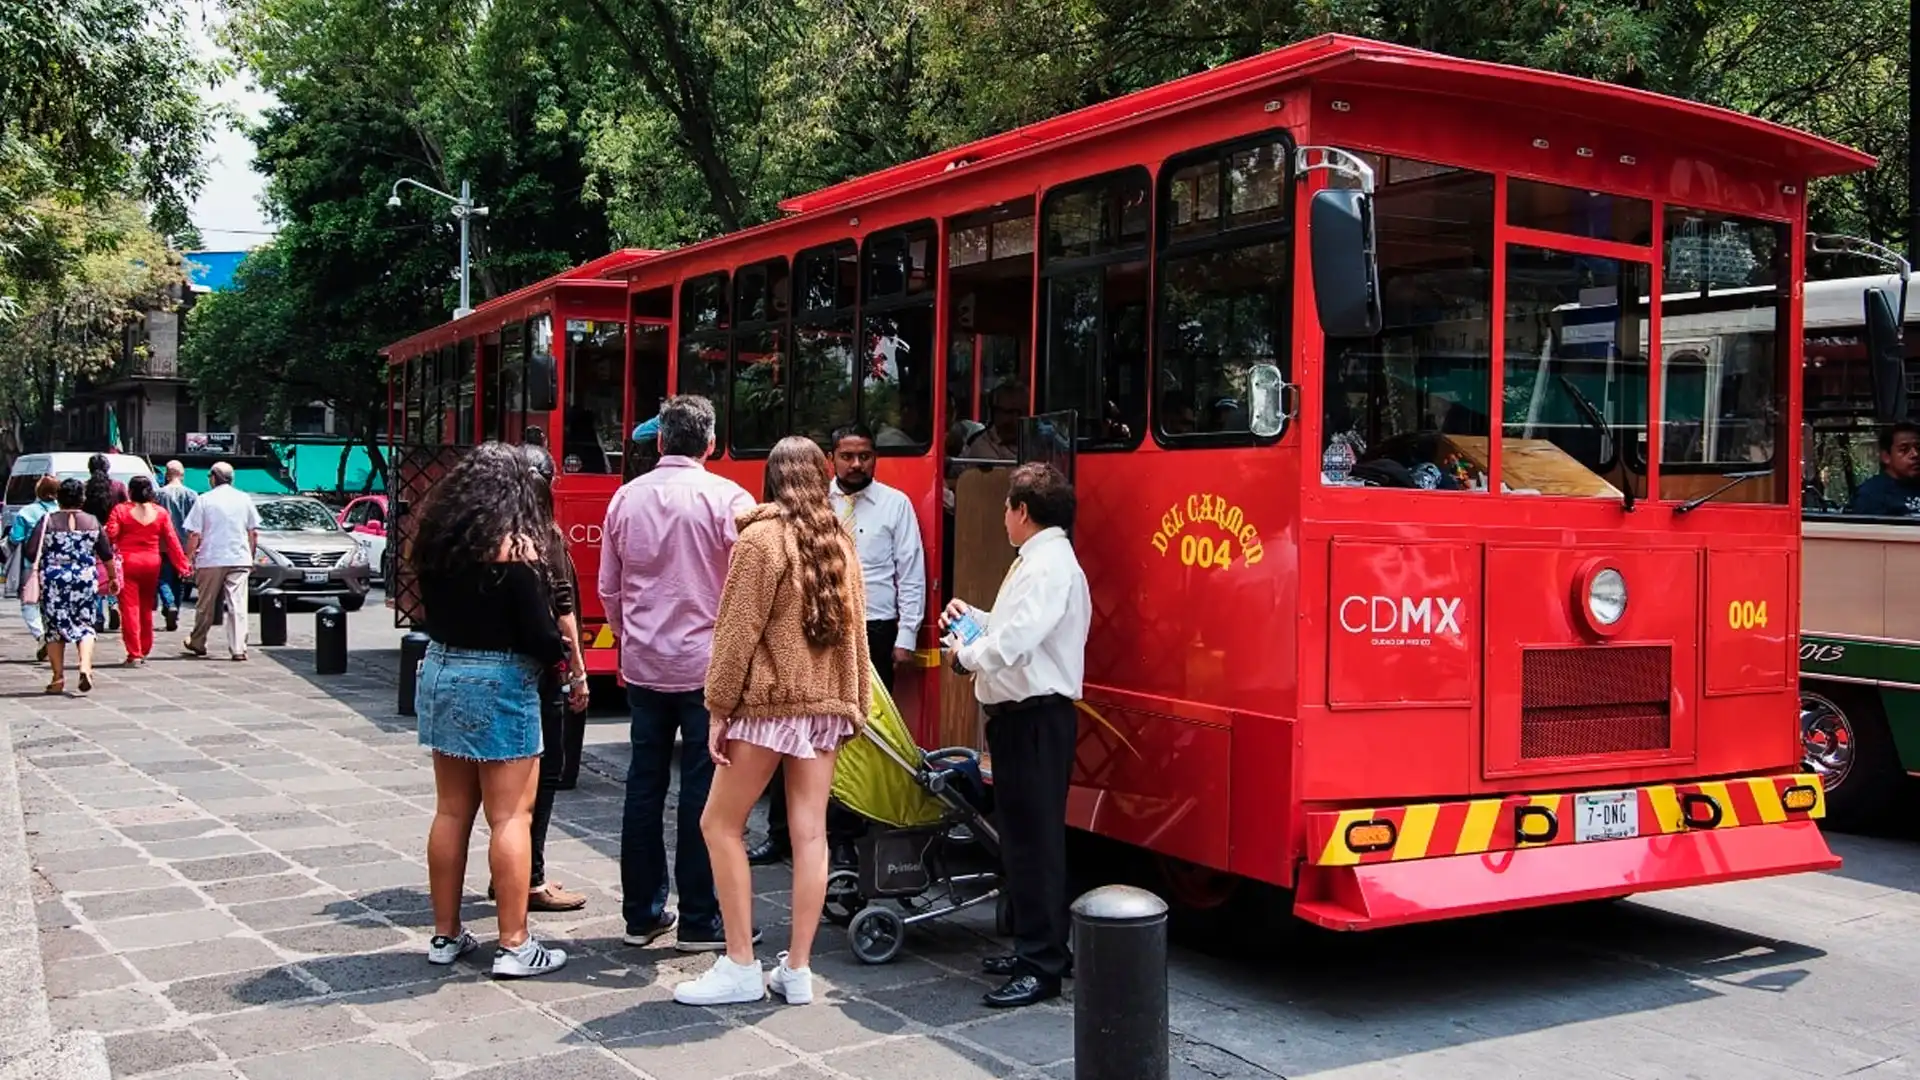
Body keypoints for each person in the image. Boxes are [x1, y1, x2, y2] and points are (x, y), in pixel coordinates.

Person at [672, 436, 870, 1007]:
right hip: (823, 709)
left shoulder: (760, 539)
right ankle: (799, 971)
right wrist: (853, 705)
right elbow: (856, 637)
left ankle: (739, 963)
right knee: (811, 835)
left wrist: (717, 708)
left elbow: (735, 637)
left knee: (719, 824)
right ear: (822, 476)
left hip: (767, 705)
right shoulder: (838, 540)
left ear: (771, 479)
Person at [598, 395, 756, 952]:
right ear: (711, 444)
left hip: (645, 665)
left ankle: (641, 913)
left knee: (643, 785)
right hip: (711, 668)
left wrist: (628, 637)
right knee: (704, 791)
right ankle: (699, 918)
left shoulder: (625, 500)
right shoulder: (730, 500)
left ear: (660, 441)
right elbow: (748, 591)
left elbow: (608, 589)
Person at [412, 441, 570, 979]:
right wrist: (563, 657)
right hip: (500, 679)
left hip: (440, 668)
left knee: (451, 811)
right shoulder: (517, 549)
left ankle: (445, 933)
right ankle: (515, 943)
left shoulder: (439, 542)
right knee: (511, 817)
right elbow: (539, 634)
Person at [940, 462, 1089, 1008]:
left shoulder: (1048, 565)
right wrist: (974, 618)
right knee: (1024, 841)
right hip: (1022, 717)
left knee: (1035, 843)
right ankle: (1037, 946)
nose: (1002, 515)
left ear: (1022, 511)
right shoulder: (1040, 560)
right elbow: (1015, 628)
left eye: (1006, 506)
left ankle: (1042, 963)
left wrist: (964, 656)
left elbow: (1015, 643)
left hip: (1034, 717)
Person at [750, 423, 924, 866]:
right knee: (788, 727)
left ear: (875, 457)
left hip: (874, 629)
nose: (856, 464)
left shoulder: (894, 505)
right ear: (832, 457)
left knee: (853, 734)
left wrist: (906, 636)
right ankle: (780, 833)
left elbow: (912, 572)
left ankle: (846, 834)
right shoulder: (812, 504)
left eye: (864, 455)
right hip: (816, 627)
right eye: (847, 456)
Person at [514, 444, 591, 913]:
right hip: (545, 672)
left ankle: (511, 870)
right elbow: (563, 610)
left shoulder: (486, 534)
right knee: (544, 779)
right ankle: (531, 878)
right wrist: (578, 672)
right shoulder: (544, 536)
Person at [24, 479, 118, 695]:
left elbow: (31, 551)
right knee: (85, 623)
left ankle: (58, 678)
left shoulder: (48, 521)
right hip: (84, 580)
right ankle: (85, 666)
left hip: (54, 581)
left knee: (55, 629)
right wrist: (112, 578)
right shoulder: (92, 522)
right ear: (82, 499)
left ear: (59, 498)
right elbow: (106, 554)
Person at [106, 477, 190, 666]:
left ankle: (134, 652)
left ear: (130, 491)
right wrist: (182, 565)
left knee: (129, 609)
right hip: (152, 562)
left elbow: (111, 534)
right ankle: (144, 648)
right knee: (146, 607)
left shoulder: (121, 510)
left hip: (128, 562)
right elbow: (172, 541)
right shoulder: (160, 512)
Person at [182, 462, 261, 661]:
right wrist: (250, 557)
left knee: (205, 604)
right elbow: (253, 532)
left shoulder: (204, 500)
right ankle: (238, 648)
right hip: (239, 556)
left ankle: (198, 641)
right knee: (238, 604)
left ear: (214, 477)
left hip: (211, 558)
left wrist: (187, 559)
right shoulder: (244, 499)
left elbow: (194, 534)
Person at [10, 475, 57, 660]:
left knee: (29, 602)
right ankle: (52, 636)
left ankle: (40, 635)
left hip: (32, 565)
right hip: (57, 564)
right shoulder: (62, 511)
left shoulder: (26, 513)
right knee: (50, 602)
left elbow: (16, 538)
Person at [82, 454, 127, 632]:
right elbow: (124, 509)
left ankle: (98, 617)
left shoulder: (85, 487)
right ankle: (113, 602)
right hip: (112, 534)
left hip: (90, 534)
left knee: (94, 574)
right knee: (111, 569)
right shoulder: (118, 487)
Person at [155, 460, 198, 629]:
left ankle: (168, 602)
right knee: (180, 581)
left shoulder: (158, 494)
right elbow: (196, 523)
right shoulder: (192, 495)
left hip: (163, 544)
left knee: (162, 578)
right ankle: (175, 612)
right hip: (185, 544)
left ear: (167, 473)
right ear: (182, 474)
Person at [1846, 421, 1920, 516]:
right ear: (1886, 457)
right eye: (1904, 449)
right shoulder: (1871, 495)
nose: (1915, 454)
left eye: (1919, 448)